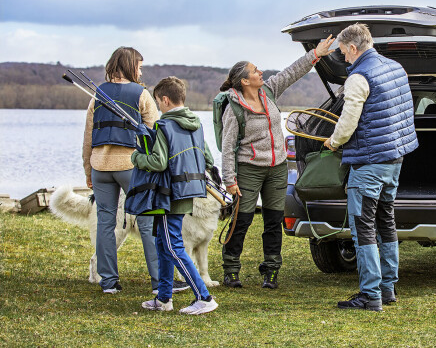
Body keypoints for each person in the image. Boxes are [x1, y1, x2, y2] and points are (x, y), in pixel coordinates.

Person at [219, 36, 334, 289]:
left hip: (277, 168)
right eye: (255, 71)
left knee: (273, 220)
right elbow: (228, 148)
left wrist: (316, 53)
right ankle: (231, 268)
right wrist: (229, 180)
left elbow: (293, 72)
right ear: (244, 81)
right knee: (243, 220)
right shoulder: (234, 109)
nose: (261, 72)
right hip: (249, 169)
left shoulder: (268, 91)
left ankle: (271, 270)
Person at [323, 23, 418, 312]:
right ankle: (388, 288)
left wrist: (334, 142)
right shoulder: (395, 68)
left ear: (353, 48)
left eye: (342, 52)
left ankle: (370, 294)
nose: (343, 58)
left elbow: (349, 121)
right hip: (395, 159)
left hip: (368, 162)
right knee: (385, 220)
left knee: (362, 227)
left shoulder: (359, 77)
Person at [132, 76, 218, 315]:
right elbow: (208, 159)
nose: (158, 107)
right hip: (188, 190)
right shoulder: (197, 124)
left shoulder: (164, 126)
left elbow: (158, 163)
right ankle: (163, 298)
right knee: (162, 242)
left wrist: (136, 157)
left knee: (172, 246)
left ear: (166, 100)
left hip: (168, 193)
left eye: (159, 102)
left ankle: (204, 297)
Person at [82, 46, 160, 294]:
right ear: (129, 66)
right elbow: (156, 132)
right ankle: (159, 280)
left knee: (106, 221)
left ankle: (108, 282)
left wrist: (87, 170)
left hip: (100, 167)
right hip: (130, 166)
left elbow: (88, 137)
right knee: (148, 220)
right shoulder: (142, 94)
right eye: (139, 66)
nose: (140, 71)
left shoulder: (97, 95)